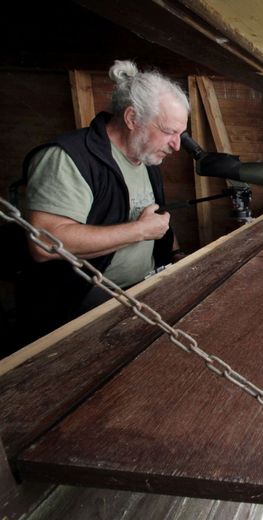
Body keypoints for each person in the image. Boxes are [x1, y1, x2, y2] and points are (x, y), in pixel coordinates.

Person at [14, 59, 189, 345]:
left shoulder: (146, 156)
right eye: (170, 131)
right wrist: (140, 231)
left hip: (141, 289)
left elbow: (156, 219)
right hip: (78, 305)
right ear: (132, 119)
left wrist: (176, 256)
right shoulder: (68, 158)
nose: (177, 145)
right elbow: (44, 242)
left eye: (181, 134)